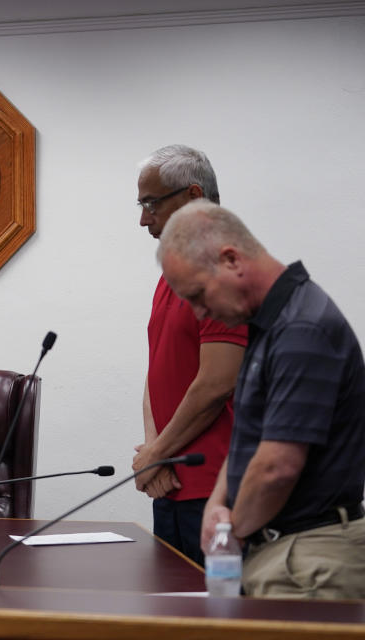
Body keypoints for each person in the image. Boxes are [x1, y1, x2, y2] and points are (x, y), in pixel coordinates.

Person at [159, 200, 365, 598]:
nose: (201, 314)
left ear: (231, 259)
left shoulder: (302, 330)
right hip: (281, 550)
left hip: (308, 562)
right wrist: (216, 505)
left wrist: (226, 530)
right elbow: (249, 440)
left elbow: (276, 467)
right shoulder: (270, 325)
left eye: (199, 295)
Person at [133, 145, 247, 566]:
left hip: (214, 489)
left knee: (218, 624)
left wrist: (156, 454)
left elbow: (217, 384)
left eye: (151, 203)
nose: (144, 218)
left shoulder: (223, 270)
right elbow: (157, 369)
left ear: (192, 195)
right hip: (168, 481)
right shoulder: (174, 273)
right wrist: (153, 453)